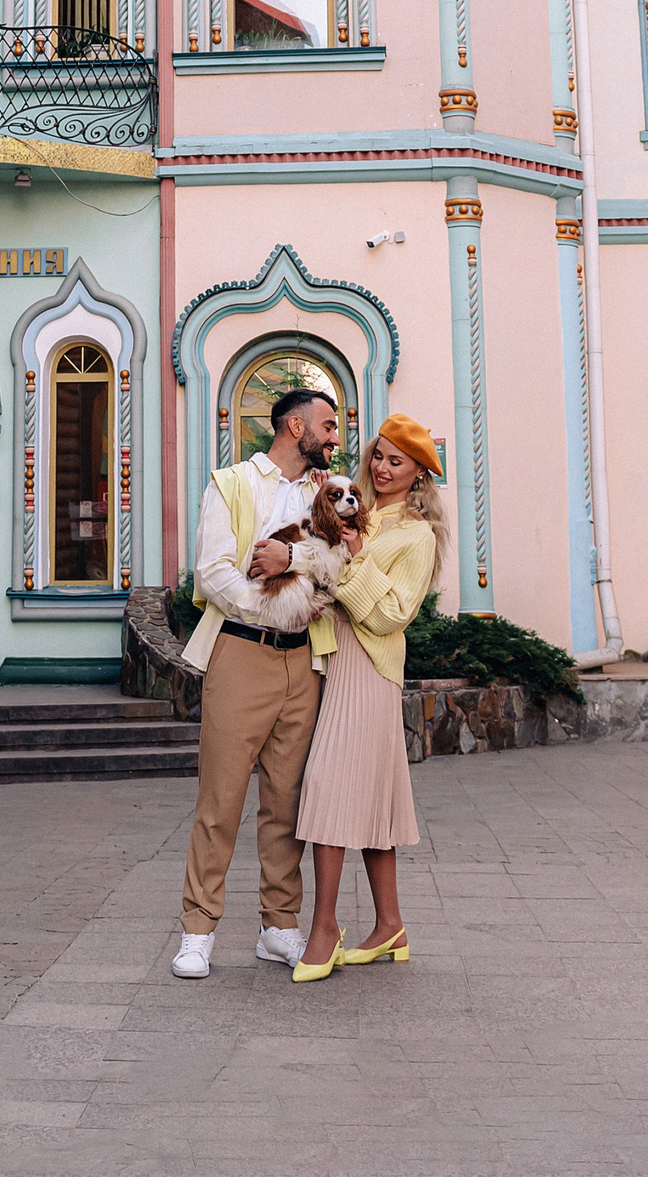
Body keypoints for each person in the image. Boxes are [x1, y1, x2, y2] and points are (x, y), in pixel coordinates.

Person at [170, 385, 340, 979]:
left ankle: (279, 927)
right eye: (328, 425)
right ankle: (198, 931)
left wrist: (296, 566)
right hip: (241, 653)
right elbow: (212, 572)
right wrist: (273, 608)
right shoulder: (232, 483)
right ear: (296, 427)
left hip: (305, 661)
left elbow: (341, 566)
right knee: (220, 800)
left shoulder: (327, 492)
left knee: (286, 804)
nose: (335, 436)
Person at [288, 415, 447, 983]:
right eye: (378, 456)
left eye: (396, 461)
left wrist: (354, 557)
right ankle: (391, 927)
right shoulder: (354, 508)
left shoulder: (417, 536)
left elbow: (389, 616)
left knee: (326, 786)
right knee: (374, 801)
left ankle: (324, 929)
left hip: (371, 671)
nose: (381, 468)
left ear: (418, 474)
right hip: (332, 661)